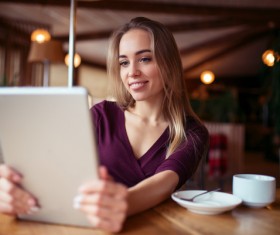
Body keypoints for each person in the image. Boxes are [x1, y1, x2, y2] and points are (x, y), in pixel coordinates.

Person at [0, 17, 209, 232]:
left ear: (169, 63)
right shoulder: (101, 116)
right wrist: (17, 188)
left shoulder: (191, 132)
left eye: (145, 59)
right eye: (124, 63)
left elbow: (165, 182)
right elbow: (57, 165)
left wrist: (122, 204)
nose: (132, 72)